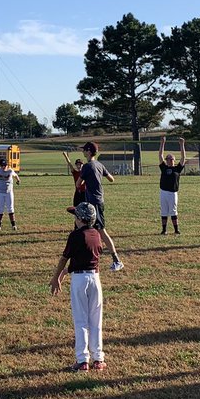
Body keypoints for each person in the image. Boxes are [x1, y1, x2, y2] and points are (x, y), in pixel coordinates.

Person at [50, 201, 108, 372]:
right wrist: (65, 273)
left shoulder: (74, 236)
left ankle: (82, 360)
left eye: (76, 216)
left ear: (80, 219)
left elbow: (64, 259)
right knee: (95, 320)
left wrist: (56, 277)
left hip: (79, 281)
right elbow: (86, 259)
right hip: (94, 278)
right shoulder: (96, 234)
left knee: (81, 319)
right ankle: (98, 358)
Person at [79, 142, 124, 272]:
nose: (82, 152)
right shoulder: (99, 164)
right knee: (91, 231)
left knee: (101, 231)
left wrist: (86, 177)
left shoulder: (87, 166)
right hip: (99, 200)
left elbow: (78, 184)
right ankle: (90, 258)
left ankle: (117, 260)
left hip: (93, 203)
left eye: (84, 150)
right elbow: (111, 179)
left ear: (88, 151)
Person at [158, 136, 187, 235]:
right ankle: (164, 229)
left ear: (174, 160)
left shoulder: (177, 169)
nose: (169, 161)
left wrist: (182, 145)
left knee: (173, 211)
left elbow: (183, 158)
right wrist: (162, 143)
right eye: (168, 159)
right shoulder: (164, 168)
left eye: (171, 159)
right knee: (164, 211)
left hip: (172, 193)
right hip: (163, 192)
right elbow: (160, 155)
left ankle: (176, 230)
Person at [0, 156, 21, 231]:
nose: (3, 167)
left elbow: (15, 175)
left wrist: (18, 180)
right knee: (0, 209)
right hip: (0, 192)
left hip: (8, 192)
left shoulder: (10, 171)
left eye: (5, 165)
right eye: (2, 165)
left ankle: (13, 225)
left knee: (10, 208)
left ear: (7, 165)